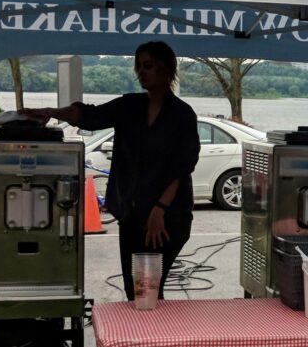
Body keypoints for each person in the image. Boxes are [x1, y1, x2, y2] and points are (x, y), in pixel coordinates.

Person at [22, 41, 200, 301]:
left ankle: (157, 335)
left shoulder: (183, 115)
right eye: (138, 66)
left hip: (169, 218)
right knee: (137, 291)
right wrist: (48, 112)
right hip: (132, 214)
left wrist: (159, 210)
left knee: (148, 289)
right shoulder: (130, 105)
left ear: (167, 67)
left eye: (148, 65)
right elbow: (89, 116)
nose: (141, 71)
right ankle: (141, 337)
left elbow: (183, 167)